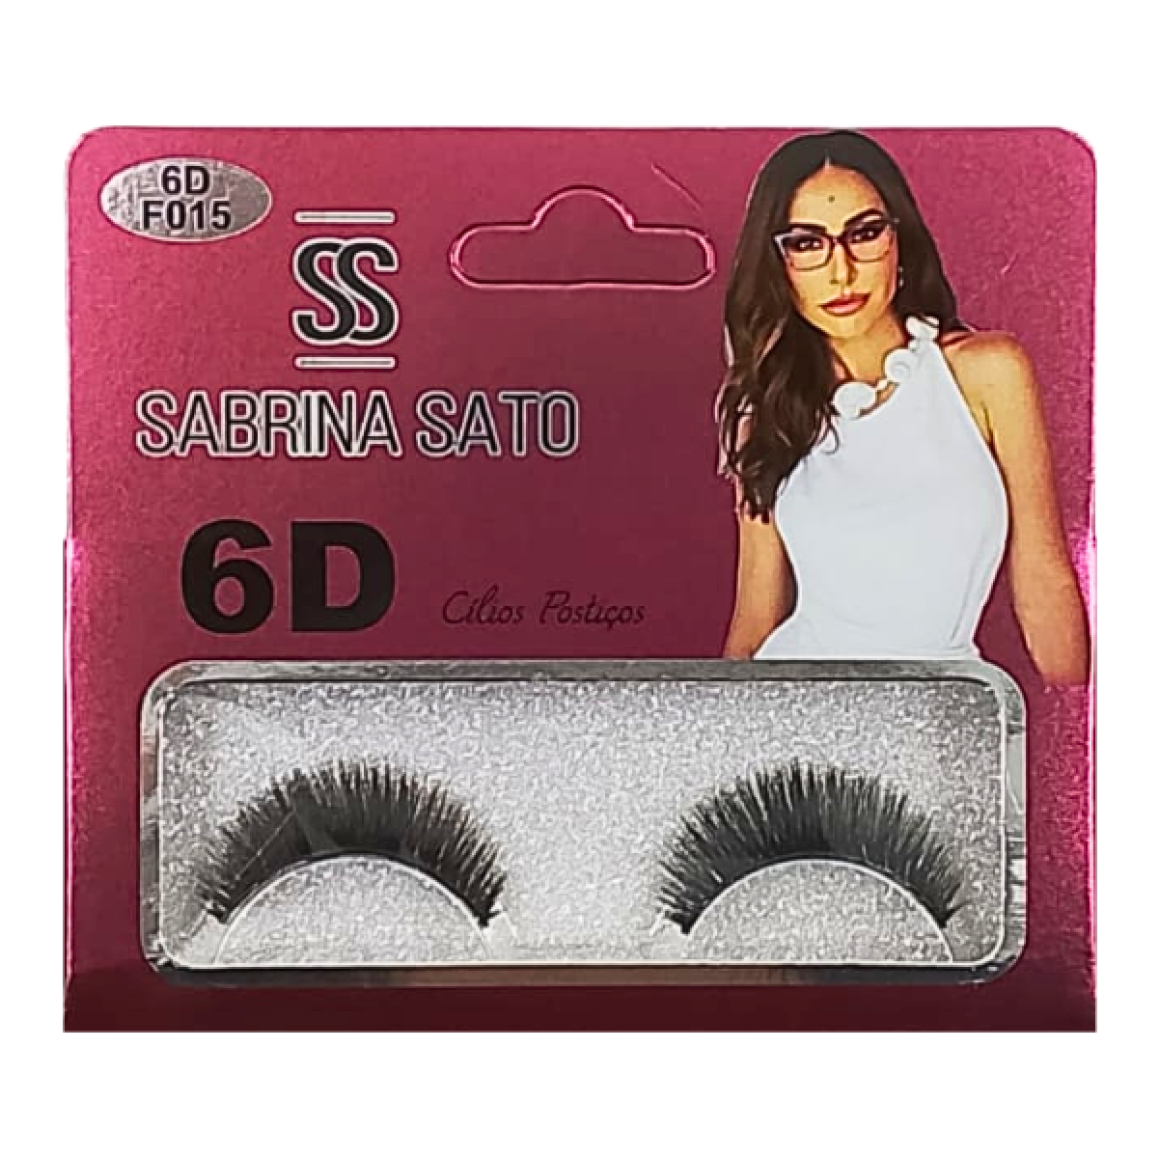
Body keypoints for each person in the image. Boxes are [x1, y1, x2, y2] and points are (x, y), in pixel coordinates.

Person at [717, 130, 1089, 684]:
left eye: (864, 234)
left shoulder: (987, 372)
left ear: (900, 240)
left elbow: (1042, 571)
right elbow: (753, 621)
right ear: (778, 263)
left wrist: (1082, 726)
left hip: (945, 702)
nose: (841, 271)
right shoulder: (766, 413)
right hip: (798, 706)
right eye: (807, 243)